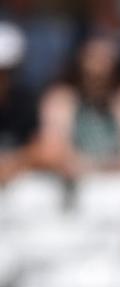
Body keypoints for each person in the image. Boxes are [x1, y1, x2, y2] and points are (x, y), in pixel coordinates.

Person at [34, 35, 120, 181]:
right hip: (74, 184)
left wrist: (97, 168)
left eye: (105, 64)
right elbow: (52, 152)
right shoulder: (60, 100)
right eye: (92, 62)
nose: (98, 71)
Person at [0, 21, 40, 185]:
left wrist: (16, 161)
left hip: (16, 179)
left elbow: (45, 146)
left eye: (5, 72)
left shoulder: (26, 101)